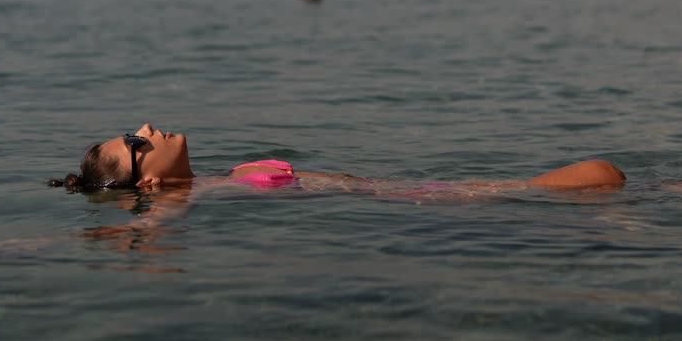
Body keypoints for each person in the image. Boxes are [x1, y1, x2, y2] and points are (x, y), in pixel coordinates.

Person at [48, 124, 628, 192]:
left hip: (415, 192)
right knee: (604, 175)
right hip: (429, 208)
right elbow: (143, 246)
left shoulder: (220, 176)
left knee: (610, 179)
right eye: (137, 144)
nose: (148, 128)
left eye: (135, 129)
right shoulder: (193, 198)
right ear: (146, 183)